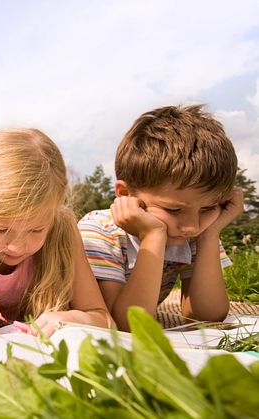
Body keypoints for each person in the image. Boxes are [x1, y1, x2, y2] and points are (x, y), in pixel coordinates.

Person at [0, 129, 111, 340]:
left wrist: (74, 319)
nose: (17, 247)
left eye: (36, 230)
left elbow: (104, 319)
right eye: (1, 229)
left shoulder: (63, 229)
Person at [78, 104, 243, 330]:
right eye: (174, 210)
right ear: (126, 194)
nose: (191, 227)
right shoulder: (99, 232)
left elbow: (207, 316)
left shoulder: (197, 231)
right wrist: (153, 237)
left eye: (208, 208)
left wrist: (210, 235)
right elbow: (123, 324)